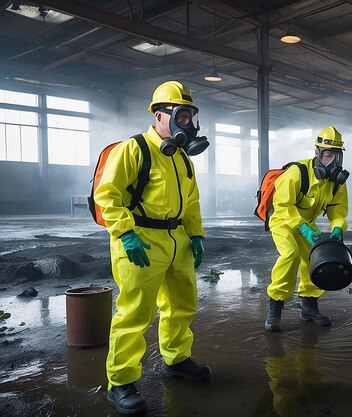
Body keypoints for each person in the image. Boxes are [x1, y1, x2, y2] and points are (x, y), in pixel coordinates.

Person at [94, 80, 211, 414]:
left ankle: (175, 360)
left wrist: (196, 235)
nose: (187, 124)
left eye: (190, 117)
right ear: (160, 116)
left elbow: (191, 203)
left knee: (182, 304)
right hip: (140, 239)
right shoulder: (135, 149)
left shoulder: (183, 159)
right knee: (135, 312)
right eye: (181, 115)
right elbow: (107, 195)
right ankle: (120, 382)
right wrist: (125, 233)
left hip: (178, 241)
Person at [264, 126, 349, 332]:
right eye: (328, 156)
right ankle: (275, 307)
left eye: (337, 157)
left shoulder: (336, 183)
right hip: (283, 220)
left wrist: (338, 228)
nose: (333, 163)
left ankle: (309, 307)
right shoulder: (297, 172)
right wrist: (300, 226)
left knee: (315, 258)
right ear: (317, 153)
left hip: (307, 223)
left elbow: (338, 210)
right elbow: (283, 206)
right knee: (291, 255)